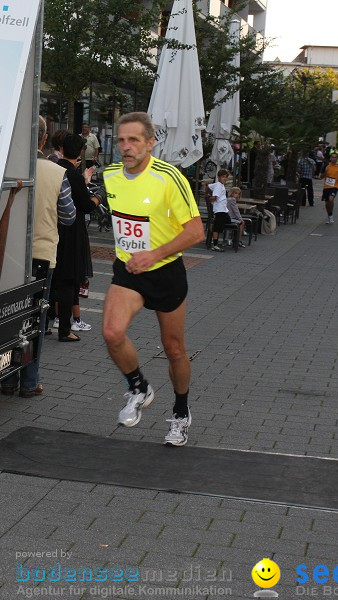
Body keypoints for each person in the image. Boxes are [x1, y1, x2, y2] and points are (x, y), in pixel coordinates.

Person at [101, 112, 204, 447]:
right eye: (121, 140)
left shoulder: (168, 177)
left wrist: (154, 254)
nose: (126, 147)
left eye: (134, 140)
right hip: (129, 270)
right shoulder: (111, 176)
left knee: (173, 349)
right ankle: (138, 387)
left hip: (165, 272)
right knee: (112, 332)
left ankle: (180, 411)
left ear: (150, 143)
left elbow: (195, 232)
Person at [0, 116, 76, 397]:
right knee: (35, 318)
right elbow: (68, 217)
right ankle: (29, 382)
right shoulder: (57, 173)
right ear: (44, 140)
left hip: (6, 254)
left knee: (6, 316)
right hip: (42, 254)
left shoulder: (6, 167)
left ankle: (6, 379)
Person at [53, 134, 99, 342]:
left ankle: (46, 324)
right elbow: (86, 205)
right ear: (80, 151)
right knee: (68, 279)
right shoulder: (72, 175)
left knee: (53, 278)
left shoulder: (54, 168)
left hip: (53, 228)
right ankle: (65, 328)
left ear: (61, 148)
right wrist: (98, 197)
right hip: (72, 231)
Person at [208, 169, 231, 252]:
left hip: (223, 210)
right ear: (219, 177)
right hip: (220, 210)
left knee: (227, 222)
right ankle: (215, 244)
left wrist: (207, 192)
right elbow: (215, 197)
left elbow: (209, 186)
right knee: (217, 228)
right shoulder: (218, 186)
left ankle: (221, 240)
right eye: (223, 177)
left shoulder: (219, 185)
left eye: (226, 177)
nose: (224, 178)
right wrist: (209, 198)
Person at [321, 153, 338, 224]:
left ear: (337, 159)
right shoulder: (326, 166)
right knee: (326, 203)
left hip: (334, 186)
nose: (334, 159)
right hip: (326, 186)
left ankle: (331, 215)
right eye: (333, 157)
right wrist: (325, 171)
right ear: (330, 158)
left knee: (331, 199)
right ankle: (329, 215)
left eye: (335, 157)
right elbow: (321, 177)